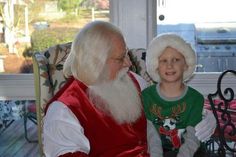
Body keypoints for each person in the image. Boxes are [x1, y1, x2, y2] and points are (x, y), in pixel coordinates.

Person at [43, 21, 216, 157]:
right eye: (120, 58)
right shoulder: (64, 111)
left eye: (126, 53)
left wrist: (202, 117)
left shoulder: (134, 81)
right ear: (96, 62)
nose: (129, 63)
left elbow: (165, 112)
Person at [142, 33, 209, 157]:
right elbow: (151, 136)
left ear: (186, 64)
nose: (170, 65)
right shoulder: (146, 96)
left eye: (176, 60)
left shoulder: (196, 99)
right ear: (156, 66)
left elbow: (192, 139)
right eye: (164, 60)